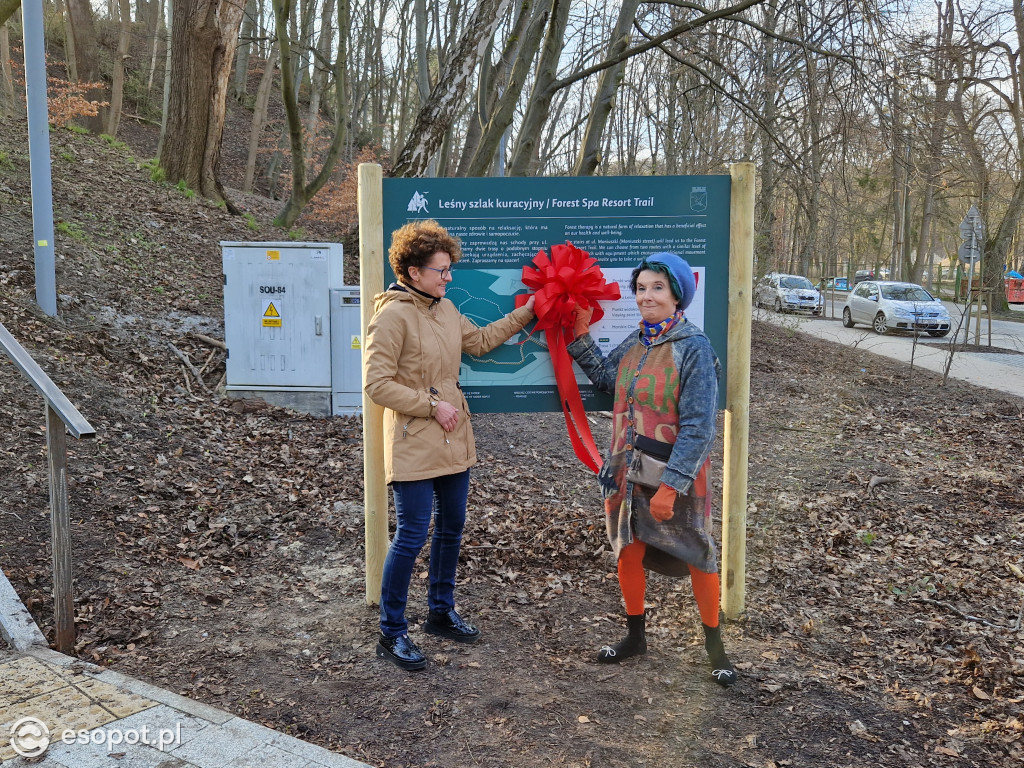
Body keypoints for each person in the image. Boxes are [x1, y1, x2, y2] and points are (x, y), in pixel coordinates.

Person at [364, 219, 536, 671]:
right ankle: (391, 631)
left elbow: (478, 342)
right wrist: (429, 405)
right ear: (413, 271)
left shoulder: (445, 307)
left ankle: (440, 612)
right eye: (441, 270)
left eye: (449, 269)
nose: (448, 276)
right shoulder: (392, 315)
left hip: (453, 437)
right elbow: (376, 384)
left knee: (452, 525)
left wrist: (529, 312)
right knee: (412, 533)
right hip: (414, 440)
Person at [567, 252, 737, 687]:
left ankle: (715, 650)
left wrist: (670, 487)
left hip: (675, 475)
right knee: (627, 549)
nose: (646, 297)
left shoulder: (693, 349)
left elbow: (700, 426)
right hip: (626, 469)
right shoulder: (638, 340)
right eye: (641, 288)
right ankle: (635, 638)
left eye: (657, 288)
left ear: (677, 295)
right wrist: (580, 331)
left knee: (699, 553)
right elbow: (607, 379)